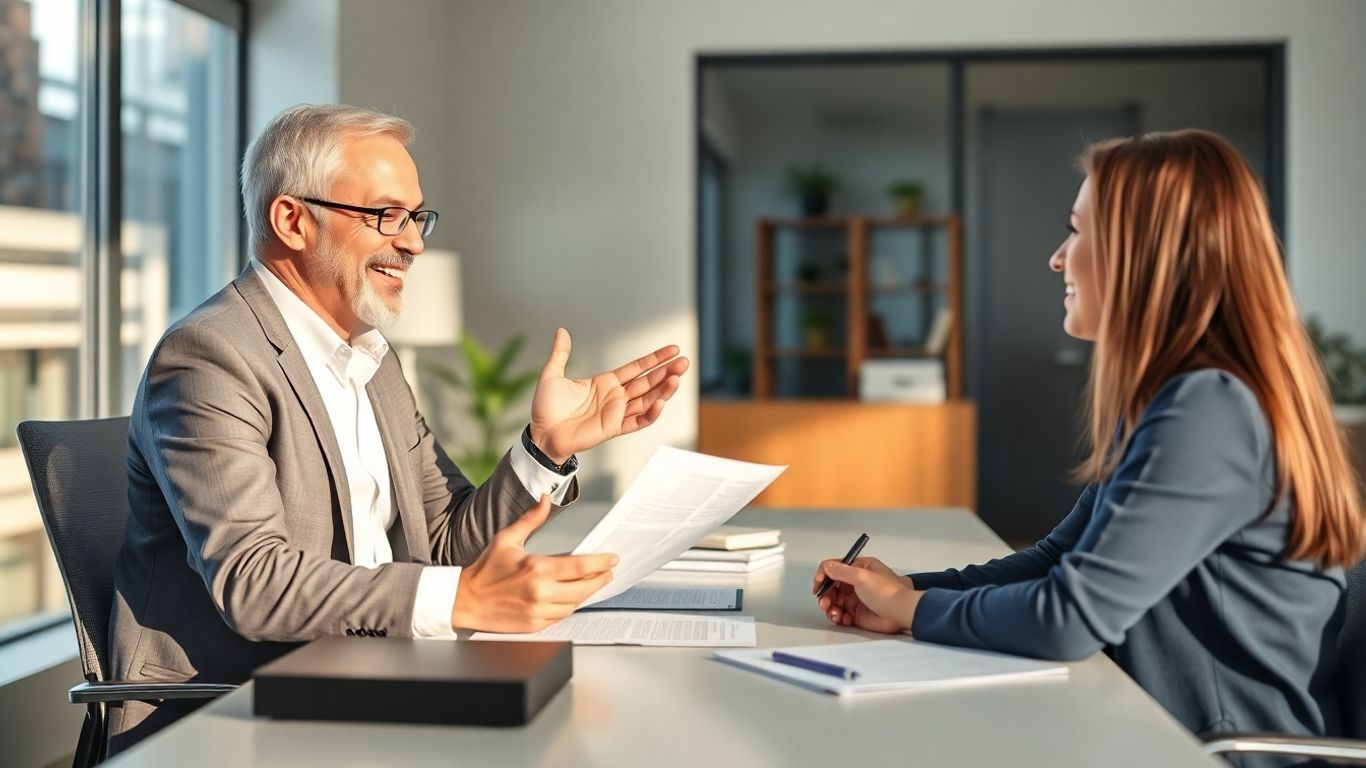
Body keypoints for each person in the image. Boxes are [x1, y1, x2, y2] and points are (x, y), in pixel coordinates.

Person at [108, 103, 689, 752]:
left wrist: (546, 450)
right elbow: (254, 581)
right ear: (293, 220)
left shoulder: (372, 358)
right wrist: (461, 599)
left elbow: (444, 542)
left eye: (417, 218)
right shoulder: (211, 356)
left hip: (372, 678)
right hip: (238, 713)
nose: (414, 243)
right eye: (386, 216)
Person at [813, 129, 1364, 746]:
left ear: (1144, 253)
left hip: (1215, 753)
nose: (1057, 258)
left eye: (1076, 232)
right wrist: (909, 590)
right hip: (1157, 728)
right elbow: (1056, 560)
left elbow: (1070, 618)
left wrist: (912, 611)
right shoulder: (1172, 399)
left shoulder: (1209, 409)